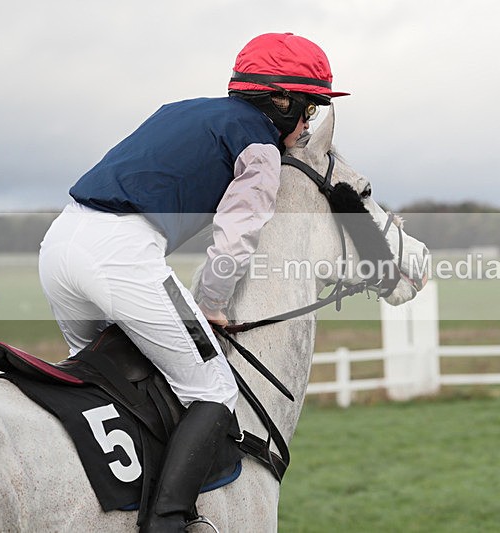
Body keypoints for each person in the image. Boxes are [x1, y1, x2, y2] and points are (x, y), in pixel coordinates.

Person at [38, 32, 348, 532]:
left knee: (112, 381)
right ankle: (170, 519)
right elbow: (236, 235)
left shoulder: (179, 110)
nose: (308, 123)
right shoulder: (261, 147)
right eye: (308, 110)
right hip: (122, 257)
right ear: (282, 100)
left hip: (58, 245)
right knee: (213, 390)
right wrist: (211, 302)